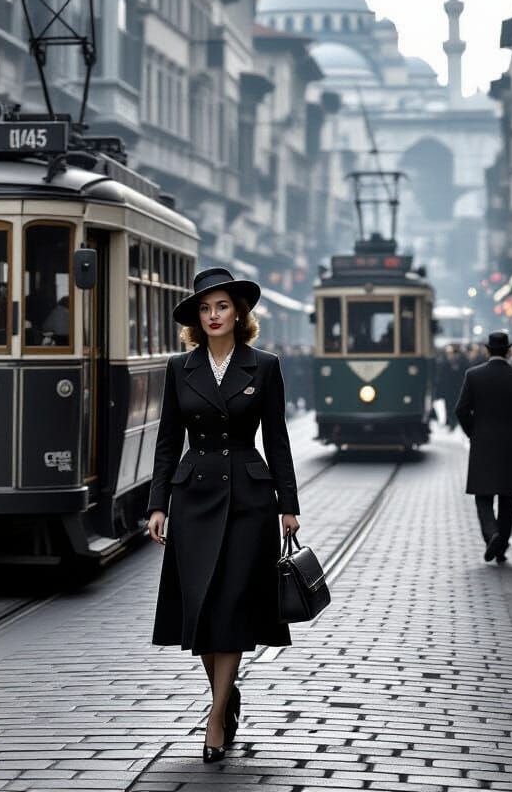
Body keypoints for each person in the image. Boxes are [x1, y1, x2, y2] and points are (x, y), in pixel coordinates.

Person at [146, 268, 300, 764]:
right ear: (197, 317)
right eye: (205, 309)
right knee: (202, 606)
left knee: (232, 604)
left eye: (223, 307)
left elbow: (277, 439)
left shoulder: (265, 366)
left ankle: (215, 717)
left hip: (249, 502)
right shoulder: (178, 367)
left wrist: (289, 506)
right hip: (192, 499)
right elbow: (168, 441)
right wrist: (156, 503)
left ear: (239, 315)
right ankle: (226, 693)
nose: (213, 316)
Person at [455, 330, 512, 564]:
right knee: (507, 496)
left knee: (483, 494)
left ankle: (492, 533)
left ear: (487, 350)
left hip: (483, 441)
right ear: (509, 350)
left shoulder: (473, 375)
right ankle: (500, 545)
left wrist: (473, 432)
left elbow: (461, 410)